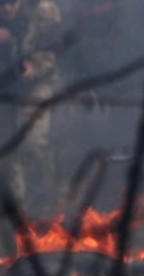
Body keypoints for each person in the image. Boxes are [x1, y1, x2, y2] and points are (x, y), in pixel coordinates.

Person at [0, 0, 60, 219]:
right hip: (5, 90)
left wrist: (35, 66)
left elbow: (53, 49)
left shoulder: (42, 13)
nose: (7, 8)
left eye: (11, 3)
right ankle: (17, 207)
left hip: (35, 86)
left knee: (33, 143)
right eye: (2, 4)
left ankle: (45, 205)